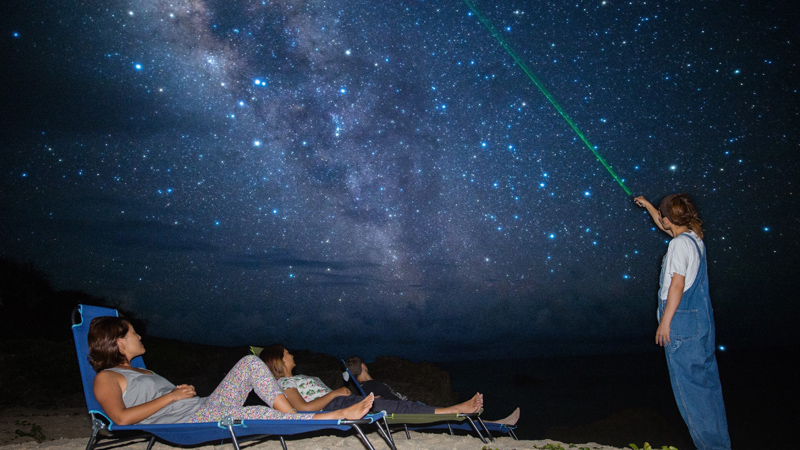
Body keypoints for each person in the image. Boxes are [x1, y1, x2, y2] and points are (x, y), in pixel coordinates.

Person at [88, 316, 373, 425]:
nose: (140, 336)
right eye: (134, 333)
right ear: (119, 343)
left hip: (203, 407)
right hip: (190, 420)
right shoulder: (107, 378)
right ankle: (331, 415)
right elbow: (120, 419)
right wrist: (171, 397)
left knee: (250, 362)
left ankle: (294, 415)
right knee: (260, 414)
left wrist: (178, 395)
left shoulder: (144, 372)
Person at [635, 193, 731, 450]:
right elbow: (663, 222)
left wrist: (665, 323)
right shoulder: (693, 239)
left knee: (691, 394)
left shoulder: (678, 245)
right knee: (708, 388)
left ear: (669, 220)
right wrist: (648, 206)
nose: (662, 222)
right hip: (700, 322)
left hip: (681, 324)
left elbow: (677, 285)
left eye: (663, 217)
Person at [260, 345, 483, 415]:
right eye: (287, 353)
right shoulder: (284, 384)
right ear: (279, 360)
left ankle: (456, 409)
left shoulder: (295, 378)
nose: (291, 355)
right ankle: (457, 409)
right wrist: (336, 393)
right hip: (336, 405)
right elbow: (302, 408)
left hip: (339, 402)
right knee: (395, 407)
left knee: (396, 406)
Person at [346, 355, 520, 426]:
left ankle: (495, 423)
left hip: (411, 406)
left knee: (445, 418)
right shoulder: (366, 388)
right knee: (447, 415)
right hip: (405, 412)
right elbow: (373, 403)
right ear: (363, 366)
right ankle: (481, 417)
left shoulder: (369, 385)